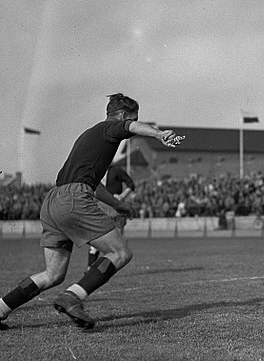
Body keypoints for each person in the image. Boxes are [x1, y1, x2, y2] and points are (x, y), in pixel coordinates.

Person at [0, 93, 184, 331]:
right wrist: (159, 134)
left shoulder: (90, 137)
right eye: (133, 117)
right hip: (73, 199)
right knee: (120, 253)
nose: (132, 125)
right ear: (121, 115)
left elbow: (93, 184)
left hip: (53, 201)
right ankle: (73, 297)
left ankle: (1, 309)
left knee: (53, 274)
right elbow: (129, 127)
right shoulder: (110, 128)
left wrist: (117, 205)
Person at [87, 163, 136, 268]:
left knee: (118, 242)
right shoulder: (95, 172)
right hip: (101, 207)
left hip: (117, 207)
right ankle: (90, 268)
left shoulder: (116, 170)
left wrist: (122, 196)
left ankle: (109, 267)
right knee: (97, 237)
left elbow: (131, 184)